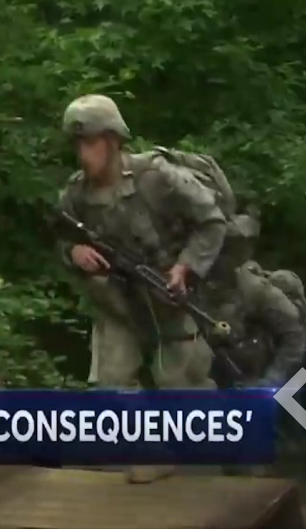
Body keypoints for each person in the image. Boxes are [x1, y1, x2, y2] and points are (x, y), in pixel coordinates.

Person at [58, 94, 224, 484]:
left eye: (91, 142)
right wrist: (73, 252)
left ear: (113, 140)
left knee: (183, 388)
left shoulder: (156, 177)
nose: (83, 153)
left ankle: (208, 467)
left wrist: (185, 267)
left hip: (171, 296)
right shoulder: (75, 194)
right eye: (78, 143)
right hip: (118, 303)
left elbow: (211, 221)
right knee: (110, 387)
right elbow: (59, 237)